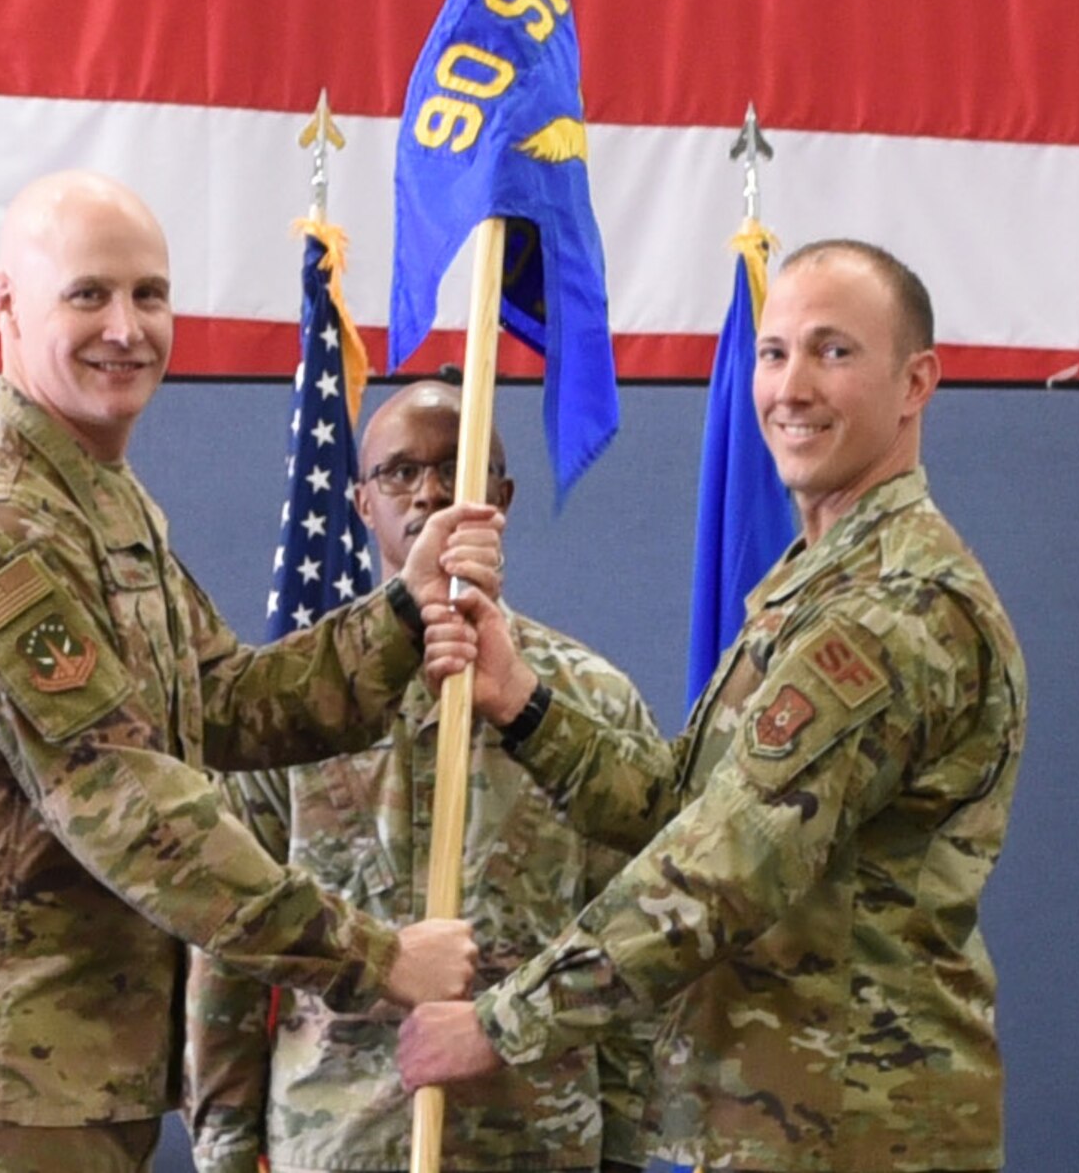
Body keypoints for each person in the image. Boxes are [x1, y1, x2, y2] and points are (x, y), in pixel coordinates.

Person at [0, 170, 495, 1172]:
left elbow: (226, 703)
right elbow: (125, 803)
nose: (126, 326)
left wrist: (403, 613)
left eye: (149, 294)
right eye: (88, 294)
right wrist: (378, 958)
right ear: (5, 305)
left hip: (68, 1068)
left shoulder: (97, 502)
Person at [401, 240, 1029, 1172]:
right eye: (774, 354)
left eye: (834, 351)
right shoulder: (813, 584)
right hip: (777, 1124)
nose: (791, 387)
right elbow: (683, 813)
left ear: (915, 383)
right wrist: (523, 703)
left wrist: (503, 1021)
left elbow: (720, 873)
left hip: (859, 1135)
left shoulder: (897, 608)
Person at [186, 374, 659, 1173]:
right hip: (339, 1139)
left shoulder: (590, 702)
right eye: (399, 472)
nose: (431, 493)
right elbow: (227, 952)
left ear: (499, 499)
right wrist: (226, 1150)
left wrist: (624, 1147)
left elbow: (635, 940)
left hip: (534, 1140)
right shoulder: (294, 705)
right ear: (362, 503)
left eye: (459, 471)